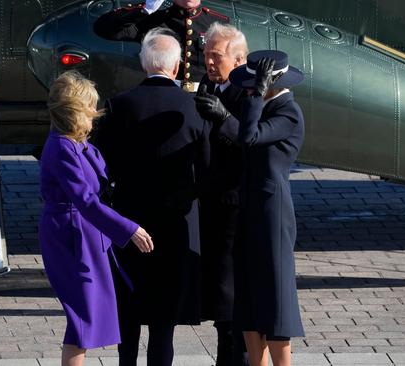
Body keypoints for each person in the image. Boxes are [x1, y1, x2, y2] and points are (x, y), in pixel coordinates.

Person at [94, 28, 210, 366]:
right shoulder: (193, 107)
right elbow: (205, 170)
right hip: (175, 224)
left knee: (128, 317)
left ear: (144, 66)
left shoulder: (119, 105)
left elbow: (103, 166)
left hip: (128, 221)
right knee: (163, 324)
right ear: (176, 68)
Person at [38, 71, 155, 366]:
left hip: (84, 234)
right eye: (88, 108)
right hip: (71, 237)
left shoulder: (76, 143)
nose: (94, 113)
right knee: (82, 317)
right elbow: (87, 201)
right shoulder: (62, 147)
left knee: (85, 318)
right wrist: (128, 229)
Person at [228, 50, 306, 366]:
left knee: (275, 298)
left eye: (255, 84)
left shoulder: (288, 111)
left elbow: (248, 136)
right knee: (247, 295)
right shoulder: (263, 105)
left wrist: (256, 97)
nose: (249, 90)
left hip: (272, 212)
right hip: (249, 207)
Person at [192, 22, 249, 366]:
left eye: (216, 57)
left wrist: (224, 117)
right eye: (207, 56)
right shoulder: (207, 83)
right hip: (209, 203)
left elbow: (253, 141)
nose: (209, 63)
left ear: (239, 59)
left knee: (231, 296)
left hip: (234, 205)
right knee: (216, 295)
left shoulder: (249, 91)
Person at [94, 0, 229, 92]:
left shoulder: (218, 22)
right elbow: (104, 29)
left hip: (201, 100)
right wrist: (145, 9)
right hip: (163, 97)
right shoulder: (154, 19)